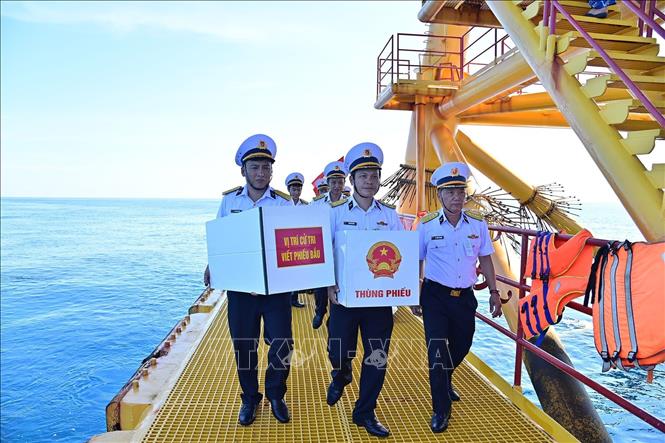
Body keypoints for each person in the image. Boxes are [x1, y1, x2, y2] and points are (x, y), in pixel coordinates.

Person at [204, 134, 294, 426]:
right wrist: (212, 264)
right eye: (254, 167)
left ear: (272, 171)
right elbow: (221, 239)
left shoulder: (283, 204)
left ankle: (276, 394)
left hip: (275, 290)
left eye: (266, 167)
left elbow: (293, 243)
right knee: (245, 346)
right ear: (243, 170)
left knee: (282, 344)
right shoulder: (230, 201)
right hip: (241, 290)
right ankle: (250, 398)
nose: (260, 173)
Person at [413, 162, 503, 433]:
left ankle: (445, 378)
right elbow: (417, 260)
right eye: (450, 192)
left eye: (460, 191)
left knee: (462, 345)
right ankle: (441, 409)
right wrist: (414, 293)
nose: (456, 197)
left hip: (464, 297)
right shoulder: (426, 225)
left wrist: (494, 291)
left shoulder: (477, 223)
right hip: (435, 297)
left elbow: (485, 258)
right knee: (437, 353)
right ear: (440, 195)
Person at [326, 143, 403, 438]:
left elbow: (403, 254)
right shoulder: (335, 213)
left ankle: (365, 411)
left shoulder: (390, 215)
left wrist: (407, 291)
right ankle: (342, 372)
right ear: (352, 179)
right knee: (338, 350)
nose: (369, 181)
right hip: (344, 297)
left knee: (376, 357)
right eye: (363, 176)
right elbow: (325, 251)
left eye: (374, 175)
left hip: (378, 299)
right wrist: (328, 284)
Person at [310, 160, 348, 329]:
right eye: (334, 182)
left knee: (339, 287)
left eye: (340, 182)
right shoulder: (317, 203)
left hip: (341, 255)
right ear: (328, 183)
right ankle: (320, 311)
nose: (337, 186)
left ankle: (333, 317)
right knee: (320, 287)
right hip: (322, 252)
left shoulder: (349, 204)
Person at [285, 172, 308, 308]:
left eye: (298, 189)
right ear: (289, 190)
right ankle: (286, 297)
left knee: (298, 272)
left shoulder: (305, 206)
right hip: (285, 242)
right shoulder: (282, 204)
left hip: (299, 242)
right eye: (294, 189)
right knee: (286, 272)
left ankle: (294, 298)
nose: (296, 192)